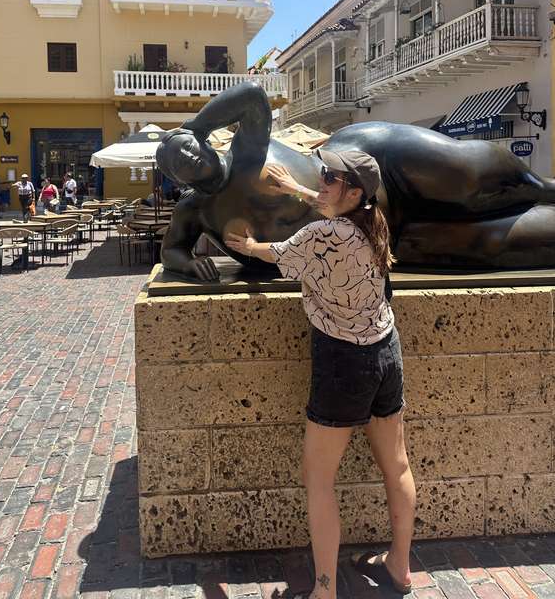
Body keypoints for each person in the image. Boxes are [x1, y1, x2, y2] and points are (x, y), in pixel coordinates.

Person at [225, 151, 415, 599]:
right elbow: (332, 208)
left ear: (353, 192)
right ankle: (400, 567)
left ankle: (325, 589)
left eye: (332, 177)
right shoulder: (374, 220)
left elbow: (278, 253)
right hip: (386, 350)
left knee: (319, 479)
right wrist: (294, 187)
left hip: (342, 361)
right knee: (398, 466)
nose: (323, 181)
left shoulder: (320, 235)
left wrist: (247, 245)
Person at [154, 83, 555, 279]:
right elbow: (171, 249)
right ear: (176, 179)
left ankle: (546, 187)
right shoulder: (197, 209)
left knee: (468, 177)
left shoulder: (247, 148)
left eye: (185, 145)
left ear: (202, 140)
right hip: (375, 240)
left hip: (370, 160)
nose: (186, 156)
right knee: (496, 245)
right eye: (175, 161)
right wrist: (190, 265)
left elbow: (253, 95)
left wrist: (191, 125)